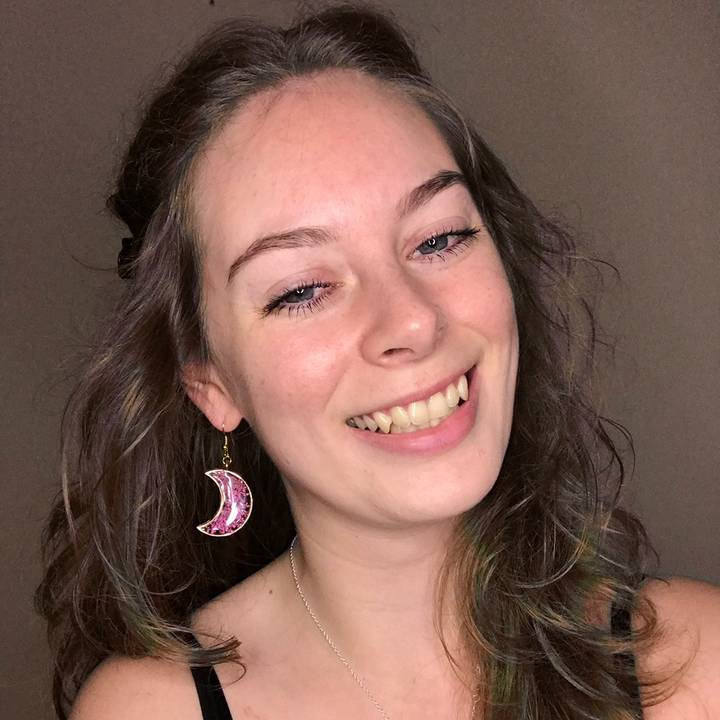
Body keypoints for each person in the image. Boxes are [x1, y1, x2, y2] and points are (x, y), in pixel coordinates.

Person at [36, 4, 720, 720]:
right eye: (302, 289)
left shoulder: (695, 666)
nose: (413, 320)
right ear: (210, 382)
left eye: (439, 239)